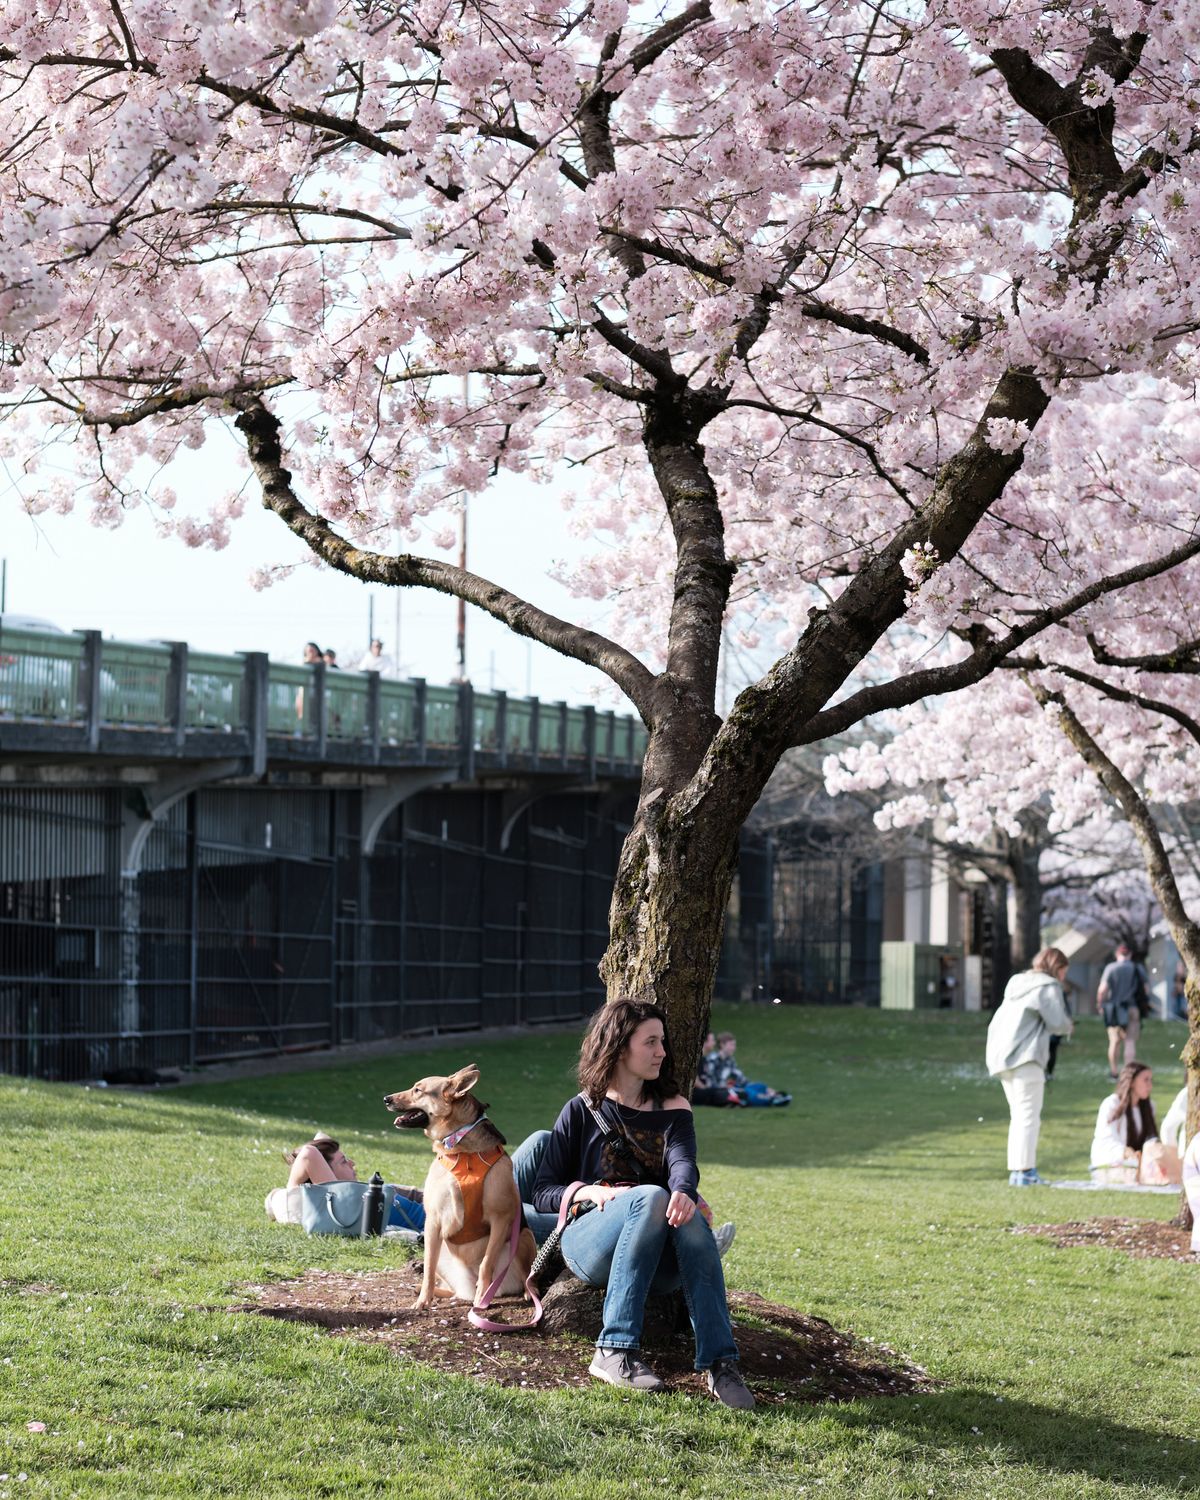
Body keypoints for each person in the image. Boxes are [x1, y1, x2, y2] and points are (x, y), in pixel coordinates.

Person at [531, 997, 755, 1409]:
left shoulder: (674, 1108)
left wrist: (685, 1192)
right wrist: (586, 1191)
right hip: (589, 1242)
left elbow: (683, 1163)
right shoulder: (582, 1110)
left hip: (659, 1258)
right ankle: (614, 1350)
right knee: (653, 1195)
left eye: (662, 1042)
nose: (662, 1052)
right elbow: (543, 1191)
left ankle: (720, 1363)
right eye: (650, 1042)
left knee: (680, 1209)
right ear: (619, 1047)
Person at [985, 946, 1073, 1186]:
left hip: (1003, 1057)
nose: (1064, 977)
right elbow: (1057, 1023)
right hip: (1027, 1057)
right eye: (1064, 971)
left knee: (1019, 1115)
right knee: (1028, 1116)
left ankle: (1017, 1171)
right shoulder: (1048, 986)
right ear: (1058, 967)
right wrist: (1069, 1025)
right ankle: (1025, 1171)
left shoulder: (1017, 983)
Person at [265, 1132, 426, 1233]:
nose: (352, 1163)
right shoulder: (341, 1204)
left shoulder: (370, 1190)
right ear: (323, 1172)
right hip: (438, 1223)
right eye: (343, 1161)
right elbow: (309, 1154)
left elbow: (321, 1136)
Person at [1089, 1062, 1178, 1185]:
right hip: (1110, 1163)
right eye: (1145, 1080)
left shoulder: (1149, 1106)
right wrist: (1127, 1153)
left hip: (1138, 1165)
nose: (1150, 1085)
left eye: (1151, 1080)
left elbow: (1150, 1139)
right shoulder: (1112, 1104)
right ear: (1131, 1082)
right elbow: (1106, 1139)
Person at [1096, 943, 1150, 1077]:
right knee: (1130, 1041)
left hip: (1115, 1009)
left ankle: (1114, 1072)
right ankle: (1128, 1074)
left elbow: (1102, 990)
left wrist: (1100, 1004)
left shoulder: (1111, 968)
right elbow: (1146, 989)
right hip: (1132, 1008)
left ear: (1117, 954)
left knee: (1114, 1041)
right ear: (1130, 954)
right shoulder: (1137, 968)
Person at [704, 1031, 791, 1106]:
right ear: (722, 1045)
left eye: (734, 1045)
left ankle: (776, 1095)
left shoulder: (730, 1060)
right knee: (748, 1092)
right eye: (731, 1045)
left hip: (733, 1086)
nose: (733, 1048)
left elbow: (741, 1078)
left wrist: (756, 1086)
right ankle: (770, 1100)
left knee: (759, 1086)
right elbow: (711, 1081)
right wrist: (726, 1087)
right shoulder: (713, 1059)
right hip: (722, 1090)